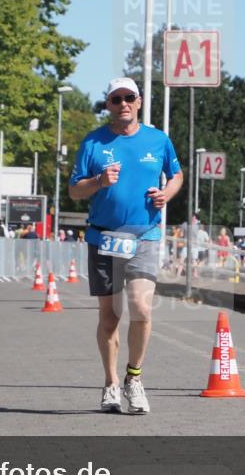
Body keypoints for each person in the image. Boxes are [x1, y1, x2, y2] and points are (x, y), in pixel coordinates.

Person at [69, 77, 183, 414]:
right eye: (116, 99)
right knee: (109, 318)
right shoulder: (93, 143)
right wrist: (99, 181)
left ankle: (134, 378)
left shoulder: (158, 140)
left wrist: (167, 193)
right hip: (103, 237)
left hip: (144, 235)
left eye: (129, 98)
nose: (123, 104)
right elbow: (74, 191)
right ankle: (110, 384)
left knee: (142, 308)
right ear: (108, 104)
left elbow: (175, 175)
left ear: (139, 101)